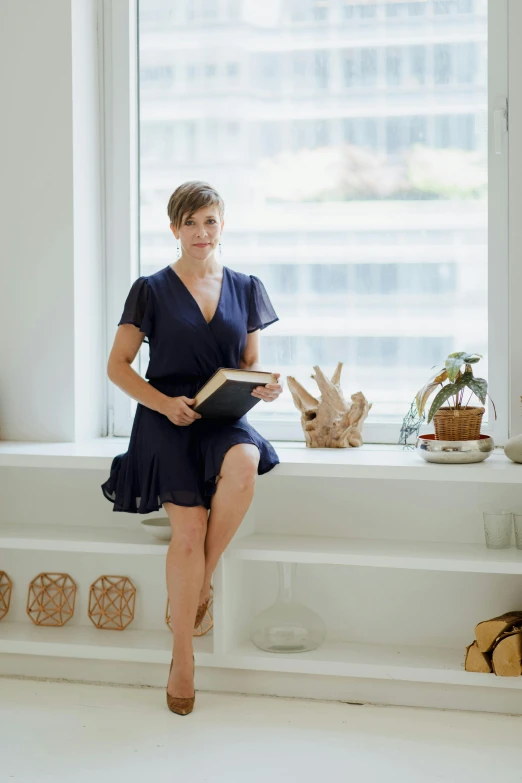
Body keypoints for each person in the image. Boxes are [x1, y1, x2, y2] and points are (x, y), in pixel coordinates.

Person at [101, 180, 283, 715]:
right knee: (189, 529)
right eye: (190, 222)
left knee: (245, 459)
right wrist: (163, 404)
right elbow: (117, 365)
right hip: (166, 418)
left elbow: (249, 363)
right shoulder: (151, 289)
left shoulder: (247, 286)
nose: (201, 233)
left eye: (210, 221)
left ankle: (198, 584)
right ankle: (183, 658)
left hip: (221, 416)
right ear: (174, 228)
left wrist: (265, 387)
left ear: (222, 225)